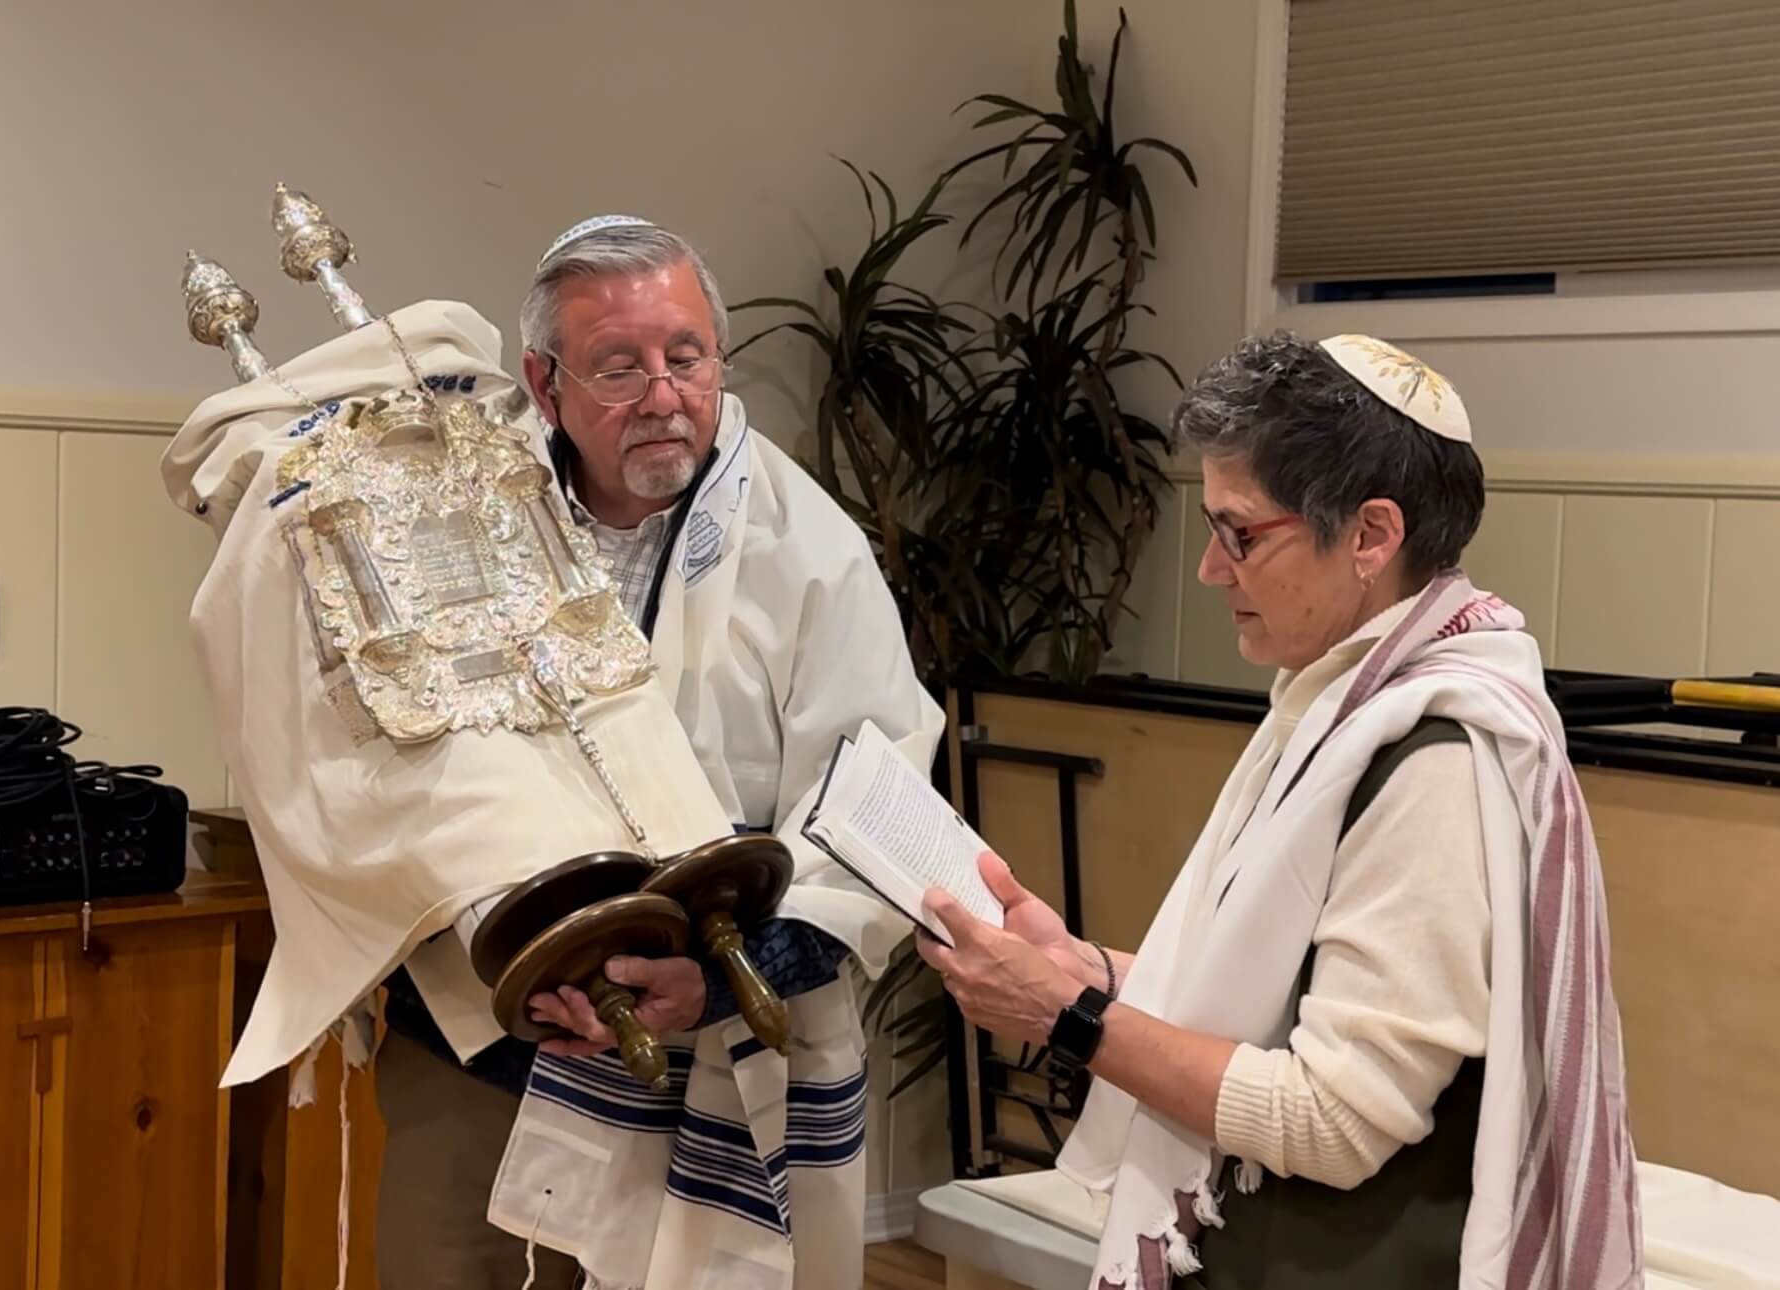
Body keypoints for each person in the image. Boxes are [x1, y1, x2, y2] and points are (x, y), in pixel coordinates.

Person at [918, 333, 1642, 1289]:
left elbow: (1333, 1120)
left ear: (1371, 535)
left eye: (1241, 533)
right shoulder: (1345, 696)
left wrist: (1070, 1016)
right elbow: (1284, 993)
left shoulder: (1435, 759)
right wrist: (1085, 968)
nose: (1214, 572)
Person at [373, 215, 945, 1288]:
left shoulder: (805, 546)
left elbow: (881, 798)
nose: (664, 394)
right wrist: (502, 954)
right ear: (544, 388)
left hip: (716, 1046)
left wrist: (734, 976)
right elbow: (391, 765)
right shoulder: (455, 528)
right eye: (617, 368)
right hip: (492, 1039)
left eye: (685, 357)